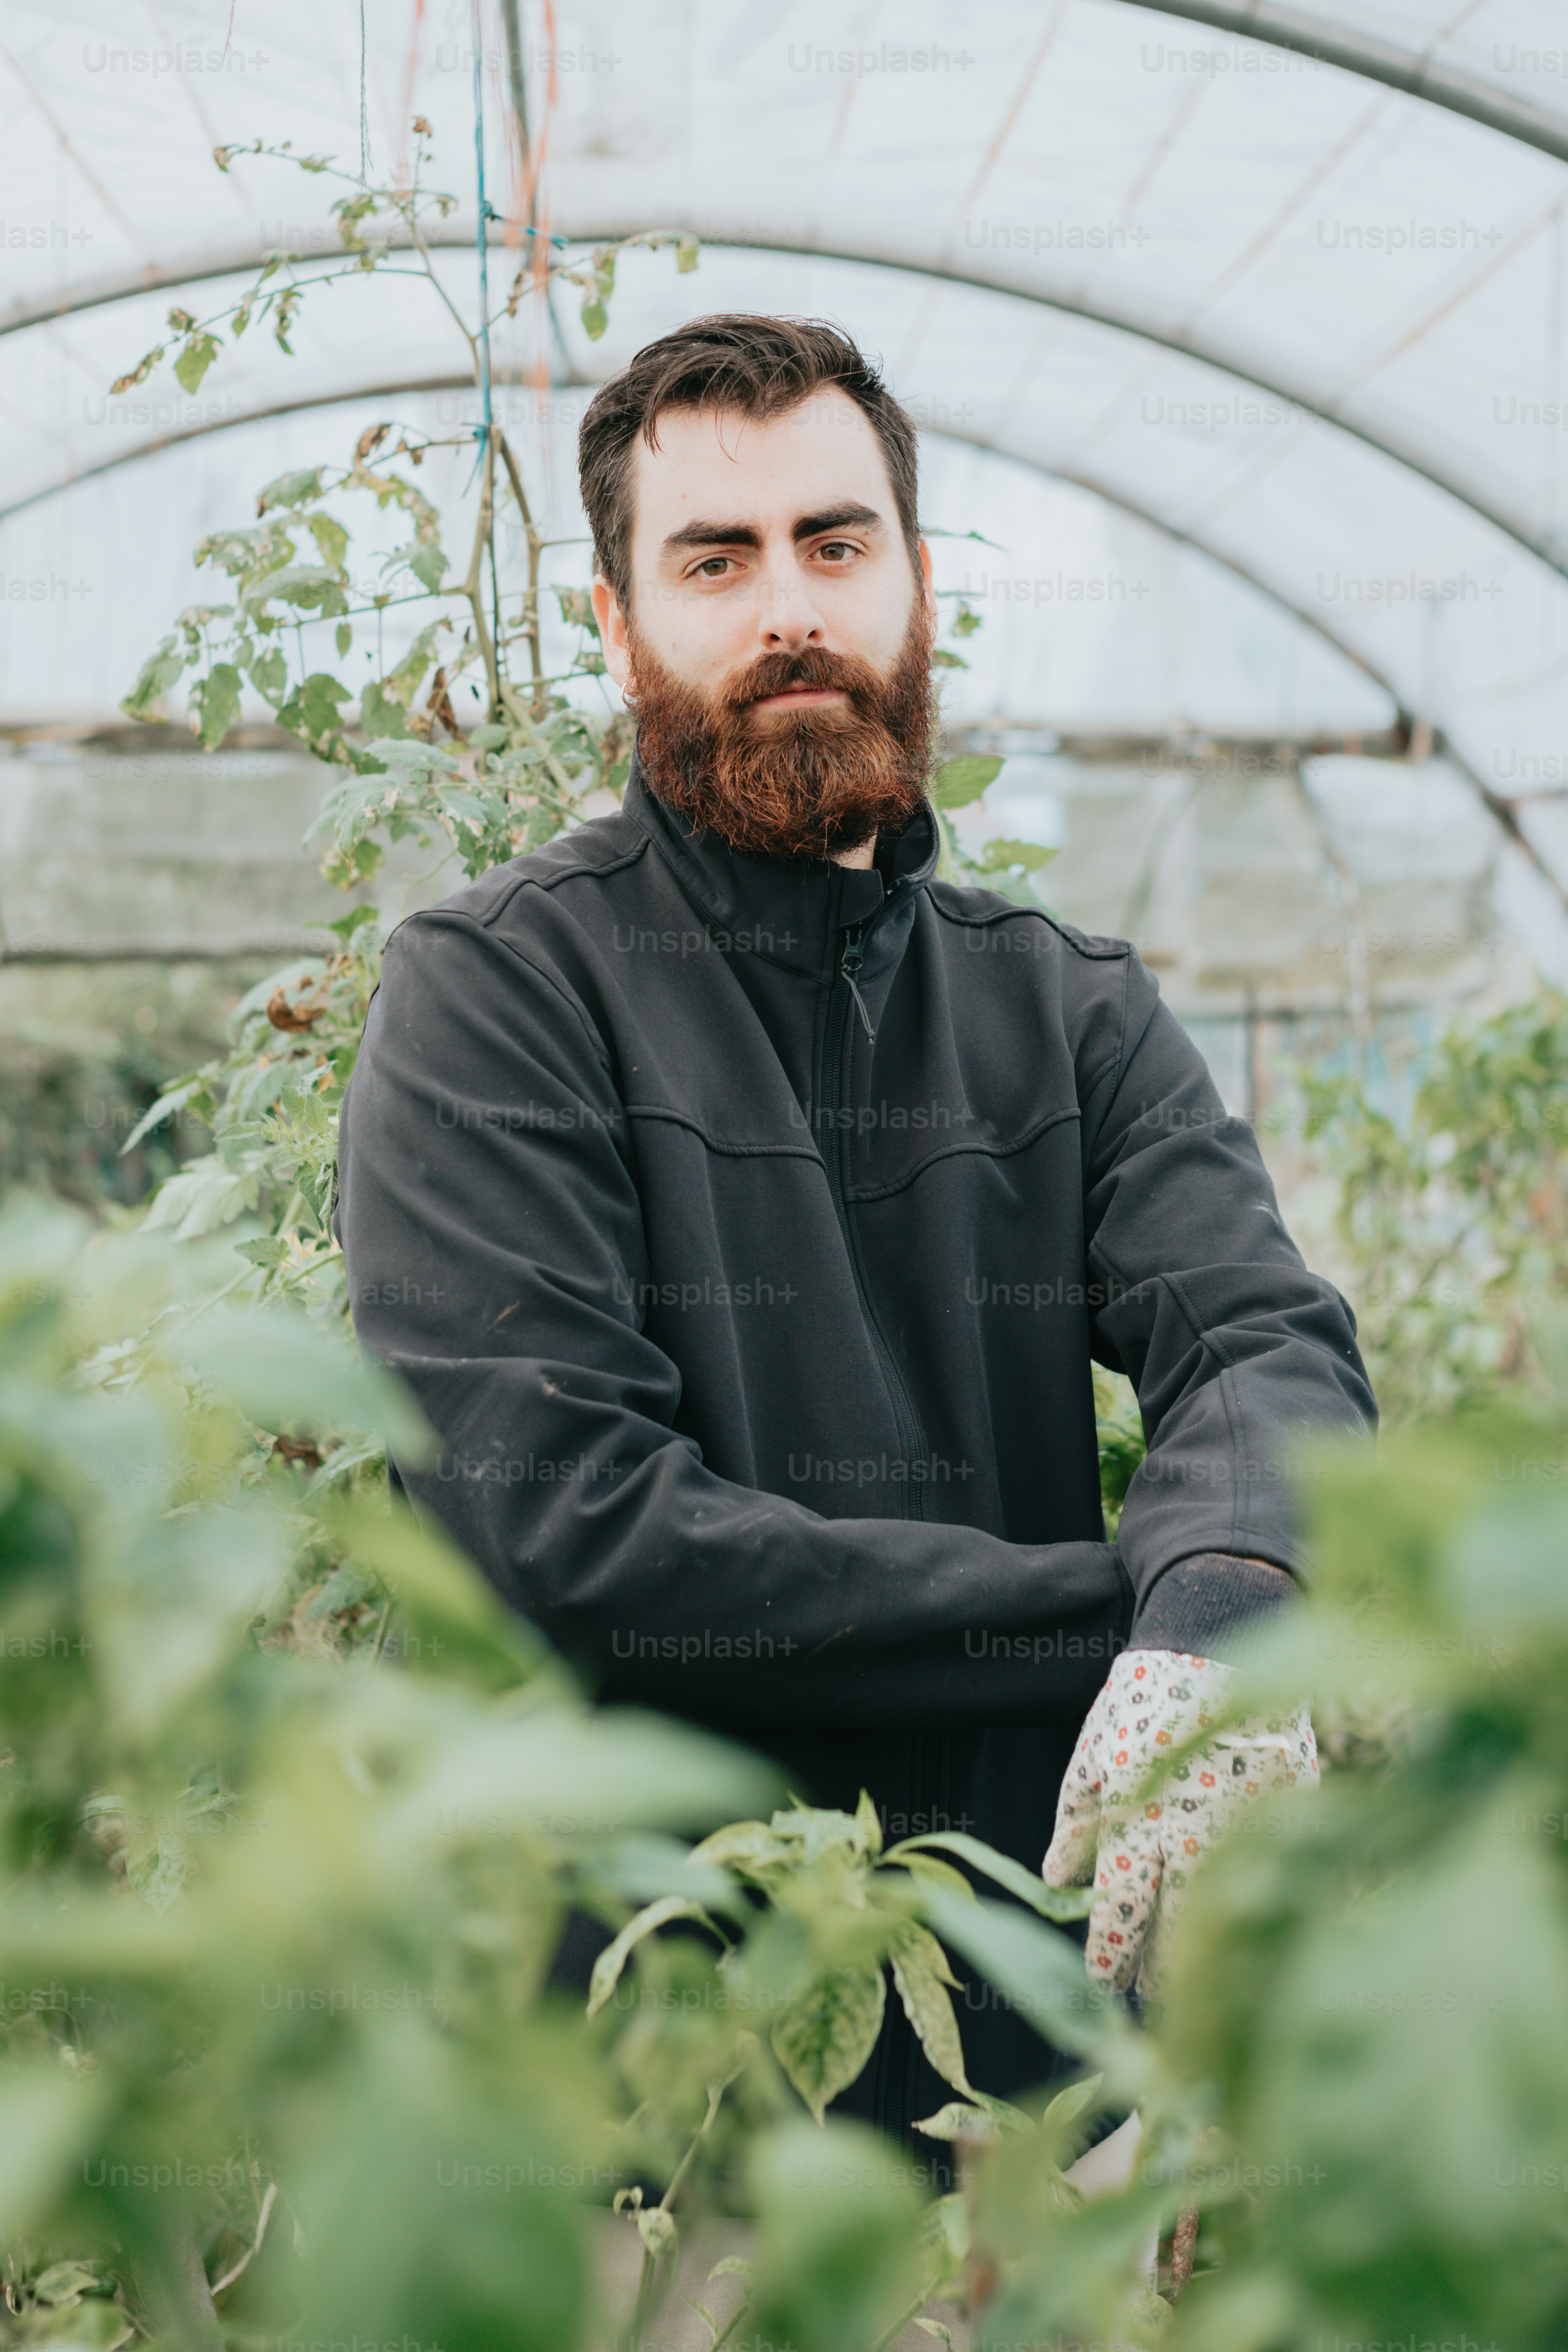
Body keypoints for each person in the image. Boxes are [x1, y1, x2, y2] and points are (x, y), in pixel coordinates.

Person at [334, 312, 1375, 2144]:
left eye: (835, 542)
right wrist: (1141, 1624)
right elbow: (574, 1531)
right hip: (663, 2090)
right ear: (616, 622)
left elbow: (1261, 1340)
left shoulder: (1059, 1007)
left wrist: (1224, 1598)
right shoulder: (503, 992)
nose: (785, 608)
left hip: (1043, 2072)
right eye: (714, 560)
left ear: (913, 582)